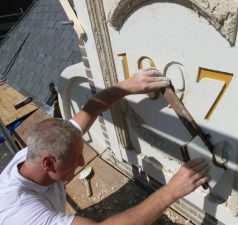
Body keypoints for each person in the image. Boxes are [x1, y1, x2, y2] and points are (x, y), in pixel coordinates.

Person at [0, 68, 210, 225]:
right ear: (48, 163)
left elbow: (90, 110)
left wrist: (128, 86)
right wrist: (172, 191)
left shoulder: (37, 152)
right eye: (76, 158)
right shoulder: (24, 212)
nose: (82, 162)